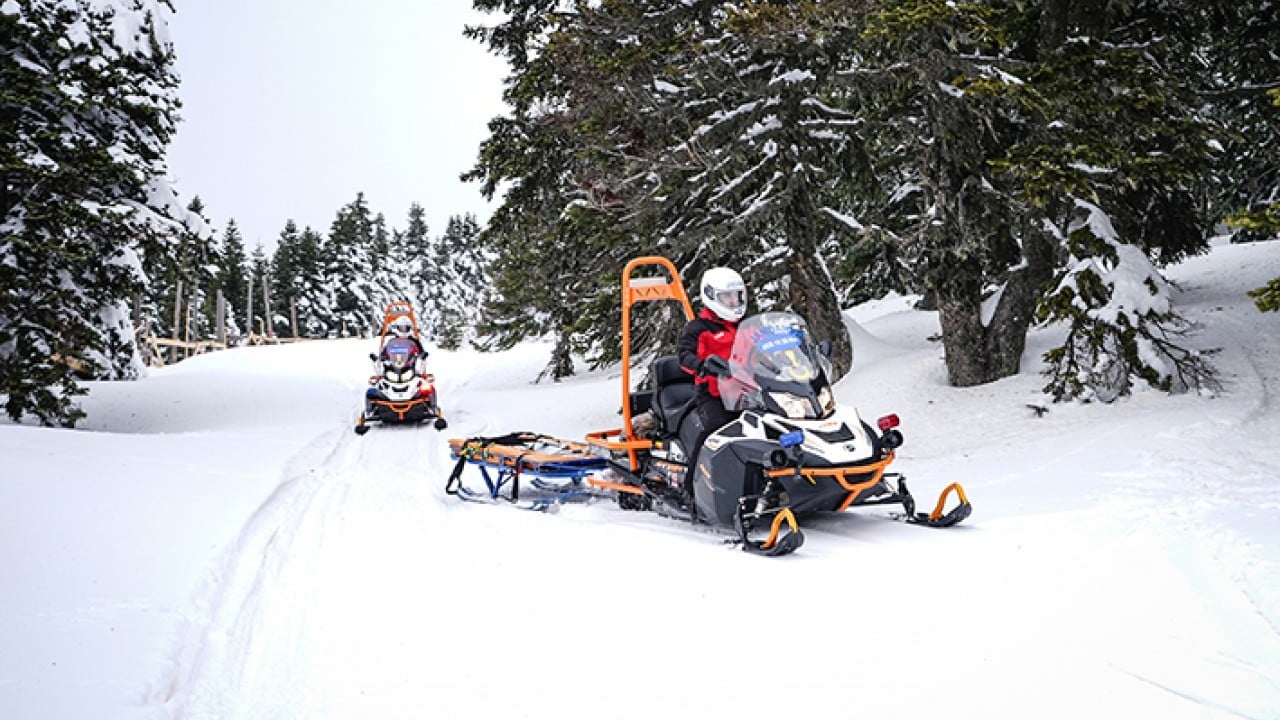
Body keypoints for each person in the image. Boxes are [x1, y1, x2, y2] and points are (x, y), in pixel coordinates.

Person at [677, 266, 748, 495]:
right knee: (715, 430)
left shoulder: (747, 326)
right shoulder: (699, 329)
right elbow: (684, 356)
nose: (733, 302)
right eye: (727, 297)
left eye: (737, 296)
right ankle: (692, 488)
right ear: (711, 296)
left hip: (750, 392)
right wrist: (703, 365)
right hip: (714, 393)